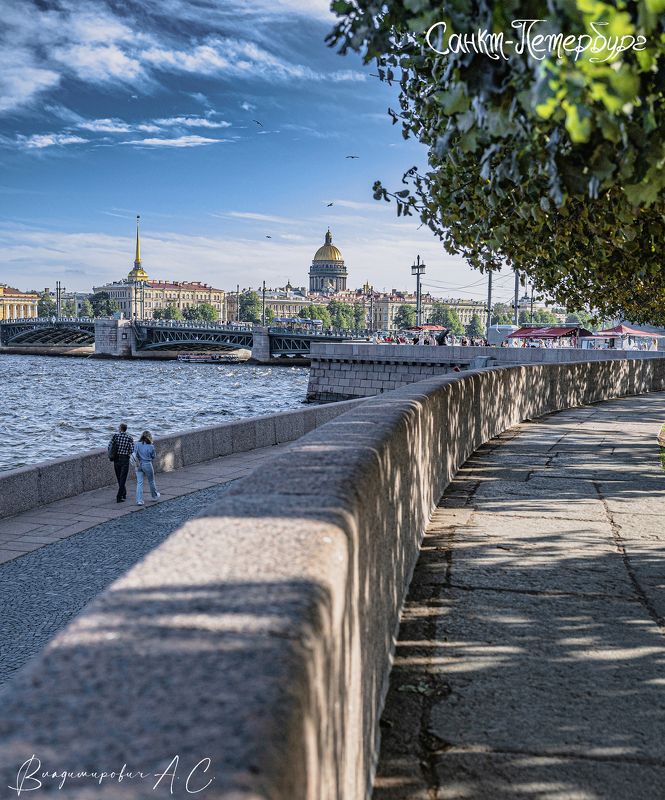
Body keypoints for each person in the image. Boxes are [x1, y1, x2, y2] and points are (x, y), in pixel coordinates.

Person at [133, 430, 161, 506]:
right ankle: (154, 496)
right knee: (151, 481)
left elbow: (134, 454)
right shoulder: (151, 446)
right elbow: (153, 456)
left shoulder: (137, 444)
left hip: (138, 464)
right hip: (147, 464)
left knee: (139, 482)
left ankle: (139, 500)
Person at [109, 423, 134, 503]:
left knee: (119, 477)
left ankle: (121, 494)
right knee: (123, 478)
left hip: (116, 459)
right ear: (125, 429)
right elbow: (132, 450)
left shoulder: (115, 436)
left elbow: (109, 446)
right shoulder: (129, 437)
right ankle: (121, 494)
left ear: (120, 429)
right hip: (125, 459)